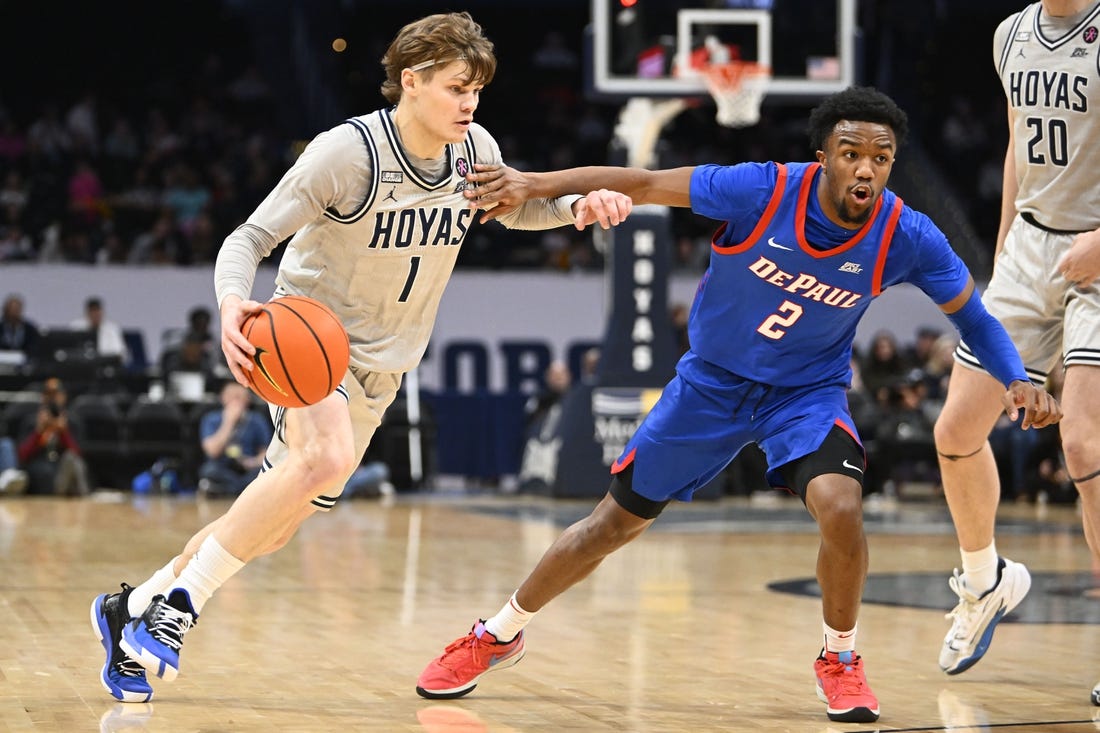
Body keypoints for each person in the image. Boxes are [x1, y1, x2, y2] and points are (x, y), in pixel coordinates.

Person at [415, 86, 1061, 724]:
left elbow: (976, 317)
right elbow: (640, 182)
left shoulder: (906, 234)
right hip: (710, 386)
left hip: (805, 395)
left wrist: (1017, 378)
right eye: (851, 152)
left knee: (841, 505)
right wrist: (532, 183)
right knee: (609, 525)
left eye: (881, 157)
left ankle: (840, 658)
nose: (866, 167)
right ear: (822, 155)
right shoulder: (761, 189)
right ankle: (498, 632)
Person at [88, 11, 630, 704]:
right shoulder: (347, 154)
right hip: (310, 344)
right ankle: (179, 607)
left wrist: (579, 207)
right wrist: (231, 304)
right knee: (328, 456)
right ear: (412, 80)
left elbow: (516, 210)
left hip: (387, 367)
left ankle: (132, 608)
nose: (469, 102)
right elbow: (247, 239)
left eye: (478, 90)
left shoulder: (474, 150)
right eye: (457, 87)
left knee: (273, 523)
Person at [930, 0, 1100, 702]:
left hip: (1098, 242)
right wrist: (1002, 247)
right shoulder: (1010, 34)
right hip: (1029, 249)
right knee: (955, 430)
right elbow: (1017, 144)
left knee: (1085, 444)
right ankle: (985, 582)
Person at [16, 377, 90, 496]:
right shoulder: (31, 421)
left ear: (64, 396)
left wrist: (63, 432)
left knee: (71, 460)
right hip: (38, 473)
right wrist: (38, 432)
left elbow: (78, 454)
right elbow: (22, 456)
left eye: (56, 393)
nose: (52, 398)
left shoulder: (73, 422)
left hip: (63, 469)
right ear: (43, 397)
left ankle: (74, 492)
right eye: (48, 393)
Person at [195, 381, 272, 497]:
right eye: (231, 396)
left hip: (247, 467)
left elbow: (266, 454)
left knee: (264, 472)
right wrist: (228, 423)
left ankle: (225, 490)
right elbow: (212, 451)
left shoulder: (257, 420)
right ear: (222, 398)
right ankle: (242, 490)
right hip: (222, 466)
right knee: (208, 470)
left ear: (248, 399)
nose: (235, 401)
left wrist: (252, 462)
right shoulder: (211, 419)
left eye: (239, 397)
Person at [70, 296, 129, 366]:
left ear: (102, 312)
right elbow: (71, 353)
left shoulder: (112, 329)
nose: (95, 315)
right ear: (87, 313)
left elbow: (121, 354)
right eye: (92, 311)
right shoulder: (76, 327)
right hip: (82, 366)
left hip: (106, 367)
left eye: (97, 311)